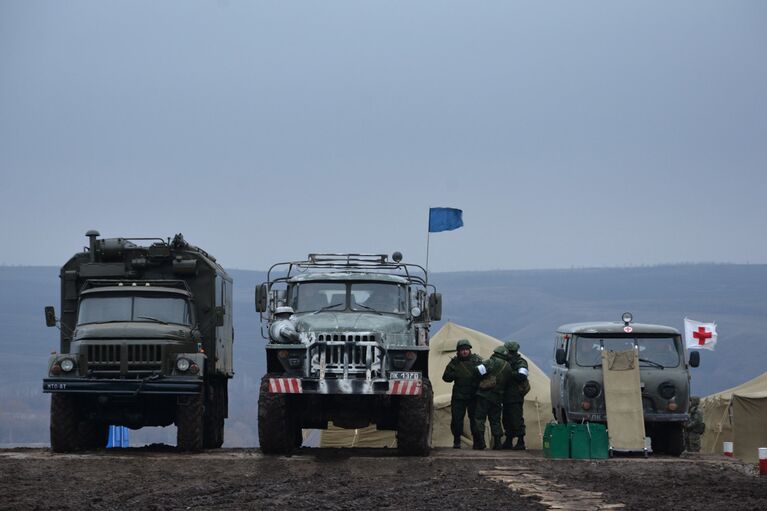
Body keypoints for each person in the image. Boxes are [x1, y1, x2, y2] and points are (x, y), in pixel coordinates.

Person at [441, 339, 483, 449]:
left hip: (473, 396)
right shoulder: (454, 363)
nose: (464, 352)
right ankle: (457, 441)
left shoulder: (477, 361)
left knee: (475, 420)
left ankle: (477, 442)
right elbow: (445, 377)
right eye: (462, 350)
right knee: (457, 419)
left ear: (469, 350)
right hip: (459, 396)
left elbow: (485, 375)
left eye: (466, 350)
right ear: (458, 351)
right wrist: (455, 374)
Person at [473, 345, 513, 450]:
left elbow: (478, 371)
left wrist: (478, 364)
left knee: (479, 418)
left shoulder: (491, 362)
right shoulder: (508, 366)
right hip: (498, 397)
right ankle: (498, 443)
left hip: (484, 395)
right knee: (495, 420)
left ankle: (481, 442)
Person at [502, 341, 529, 450]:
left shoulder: (520, 362)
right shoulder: (505, 361)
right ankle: (509, 440)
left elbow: (522, 375)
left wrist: (509, 373)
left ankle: (521, 441)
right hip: (506, 396)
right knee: (506, 419)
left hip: (515, 396)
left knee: (516, 419)